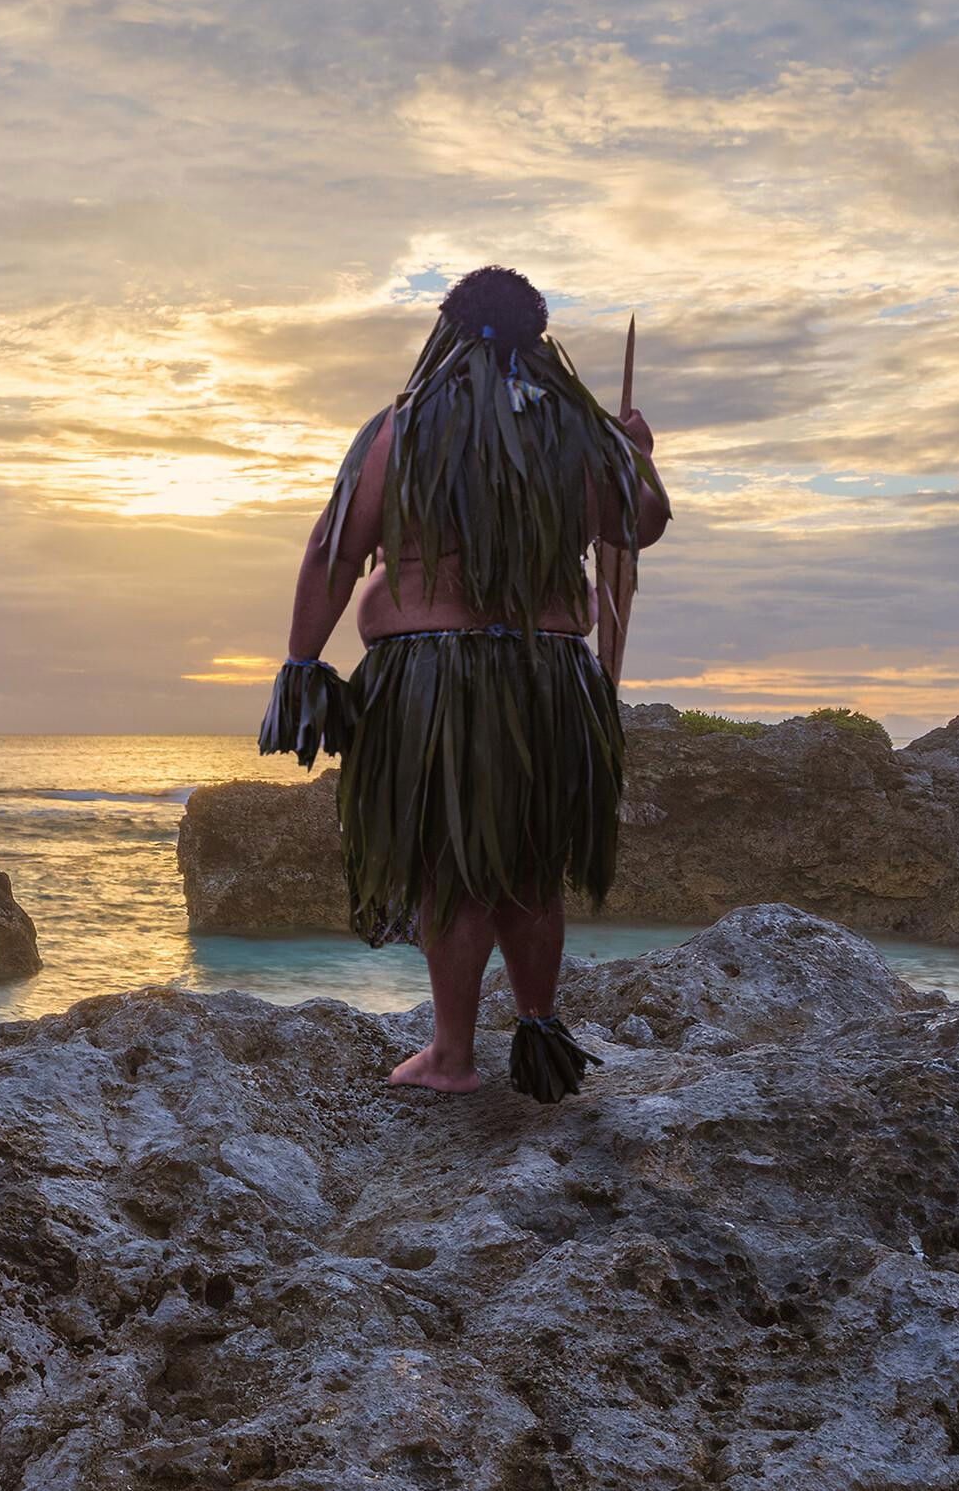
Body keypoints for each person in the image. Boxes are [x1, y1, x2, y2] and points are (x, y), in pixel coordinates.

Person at [269, 265, 667, 1100]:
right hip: (550, 678)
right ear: (539, 337)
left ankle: (453, 1056)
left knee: (448, 866)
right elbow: (641, 524)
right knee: (532, 860)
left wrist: (303, 666)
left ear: (446, 331)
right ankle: (538, 1034)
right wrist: (637, 454)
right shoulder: (577, 429)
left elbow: (335, 551)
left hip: (434, 680)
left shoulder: (404, 427)